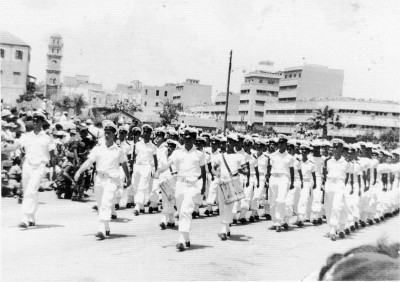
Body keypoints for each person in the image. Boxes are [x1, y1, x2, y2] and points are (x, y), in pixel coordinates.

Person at [74, 120, 131, 240]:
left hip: (111, 180)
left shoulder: (118, 150)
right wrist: (79, 171)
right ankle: (106, 226)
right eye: (105, 132)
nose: (107, 135)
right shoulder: (98, 148)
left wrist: (128, 178)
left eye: (109, 132)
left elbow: (124, 164)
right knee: (100, 205)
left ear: (114, 134)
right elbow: (89, 161)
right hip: (99, 179)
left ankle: (101, 229)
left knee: (106, 203)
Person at [155, 127, 206, 252]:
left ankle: (182, 240)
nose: (187, 141)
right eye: (185, 138)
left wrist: (204, 185)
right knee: (181, 211)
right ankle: (186, 238)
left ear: (194, 139)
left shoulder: (199, 154)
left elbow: (204, 171)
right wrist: (158, 170)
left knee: (185, 211)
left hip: (192, 186)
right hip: (180, 185)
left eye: (190, 139)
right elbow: (167, 164)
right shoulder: (177, 152)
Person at [12, 111, 56, 228]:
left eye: (37, 121)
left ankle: (25, 218)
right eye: (34, 121)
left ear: (42, 123)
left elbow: (52, 154)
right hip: (27, 165)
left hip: (40, 166)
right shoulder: (26, 136)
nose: (35, 123)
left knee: (31, 190)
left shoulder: (47, 138)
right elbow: (15, 146)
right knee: (28, 191)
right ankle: (32, 217)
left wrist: (54, 170)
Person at [212, 133, 247, 240]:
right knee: (221, 205)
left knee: (229, 205)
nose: (228, 144)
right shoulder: (220, 156)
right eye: (227, 142)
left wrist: (241, 170)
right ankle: (226, 227)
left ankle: (223, 228)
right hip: (222, 183)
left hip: (232, 183)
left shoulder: (240, 156)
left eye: (231, 142)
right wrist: (216, 173)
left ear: (235, 144)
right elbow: (213, 168)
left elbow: (246, 171)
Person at [324, 139, 350, 241]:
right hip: (329, 184)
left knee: (336, 206)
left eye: (337, 147)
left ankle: (333, 229)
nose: (335, 149)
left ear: (341, 149)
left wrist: (343, 187)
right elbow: (325, 173)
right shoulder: (328, 161)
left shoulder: (346, 162)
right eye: (333, 147)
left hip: (339, 184)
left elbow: (347, 177)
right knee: (329, 207)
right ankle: (332, 227)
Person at [267, 134, 295, 232]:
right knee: (272, 201)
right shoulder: (273, 155)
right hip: (273, 177)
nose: (280, 144)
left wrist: (292, 182)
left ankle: (279, 221)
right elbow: (269, 167)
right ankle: (274, 221)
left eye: (282, 143)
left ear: (286, 144)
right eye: (279, 143)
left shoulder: (290, 157)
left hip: (284, 178)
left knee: (281, 200)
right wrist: (268, 178)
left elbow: (292, 170)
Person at [131, 124, 157, 216]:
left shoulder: (153, 146)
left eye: (148, 132)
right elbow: (134, 157)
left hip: (147, 167)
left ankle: (137, 207)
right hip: (137, 166)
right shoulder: (137, 144)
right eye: (145, 132)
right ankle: (141, 206)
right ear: (143, 133)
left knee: (142, 186)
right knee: (136, 186)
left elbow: (155, 159)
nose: (146, 134)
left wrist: (156, 171)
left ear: (150, 134)